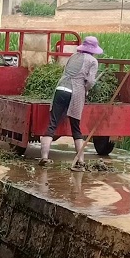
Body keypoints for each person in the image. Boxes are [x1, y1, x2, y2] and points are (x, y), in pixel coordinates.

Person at [39, 35, 103, 170]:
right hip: (74, 92)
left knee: (52, 123)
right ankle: (80, 160)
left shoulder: (73, 56)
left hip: (60, 88)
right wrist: (86, 89)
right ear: (93, 50)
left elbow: (66, 71)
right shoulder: (93, 61)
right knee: (76, 127)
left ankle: (44, 157)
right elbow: (90, 81)